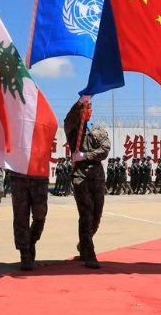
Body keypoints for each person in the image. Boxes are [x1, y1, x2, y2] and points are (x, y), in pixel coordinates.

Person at [64, 95, 110, 269]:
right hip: (80, 176)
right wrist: (79, 103)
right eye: (85, 107)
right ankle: (89, 253)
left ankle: (84, 244)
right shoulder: (73, 129)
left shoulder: (99, 130)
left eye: (90, 107)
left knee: (96, 217)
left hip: (97, 176)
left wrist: (86, 155)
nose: (88, 110)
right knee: (86, 214)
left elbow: (105, 150)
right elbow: (69, 119)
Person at [9, 169, 49, 271]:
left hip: (40, 177)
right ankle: (24, 253)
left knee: (40, 217)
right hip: (18, 177)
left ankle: (31, 241)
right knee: (20, 217)